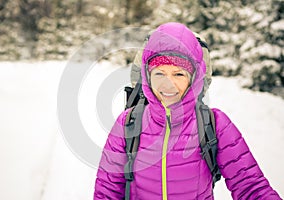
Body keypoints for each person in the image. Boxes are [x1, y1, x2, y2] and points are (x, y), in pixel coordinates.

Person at [94, 22, 281, 199]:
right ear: (147, 76)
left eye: (178, 74)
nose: (168, 84)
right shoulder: (128, 123)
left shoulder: (215, 125)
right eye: (159, 73)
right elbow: (107, 192)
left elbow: (250, 187)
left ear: (194, 78)